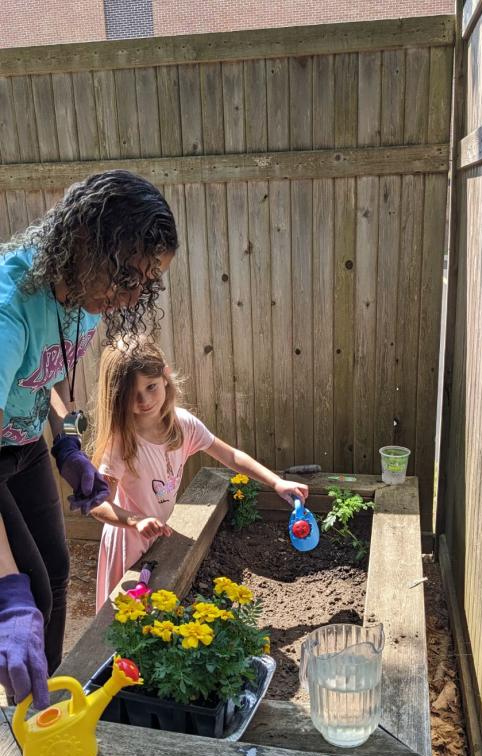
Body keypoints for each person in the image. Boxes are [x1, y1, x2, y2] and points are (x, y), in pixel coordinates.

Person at [0, 170, 178, 708]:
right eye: (127, 275)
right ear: (84, 241)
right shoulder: (9, 314)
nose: (132, 294)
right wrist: (7, 594)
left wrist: (67, 443)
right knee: (22, 586)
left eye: (145, 282)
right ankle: (20, 717)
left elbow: (50, 373)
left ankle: (38, 702)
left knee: (53, 574)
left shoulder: (81, 294)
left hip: (26, 442)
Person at [91, 340, 309, 609]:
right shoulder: (122, 441)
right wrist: (135, 521)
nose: (144, 400)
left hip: (160, 535)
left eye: (151, 387)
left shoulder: (182, 424)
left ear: (165, 377)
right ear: (116, 395)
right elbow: (98, 504)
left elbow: (231, 456)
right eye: (132, 394)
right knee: (125, 622)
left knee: (156, 611)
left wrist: (276, 482)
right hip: (128, 543)